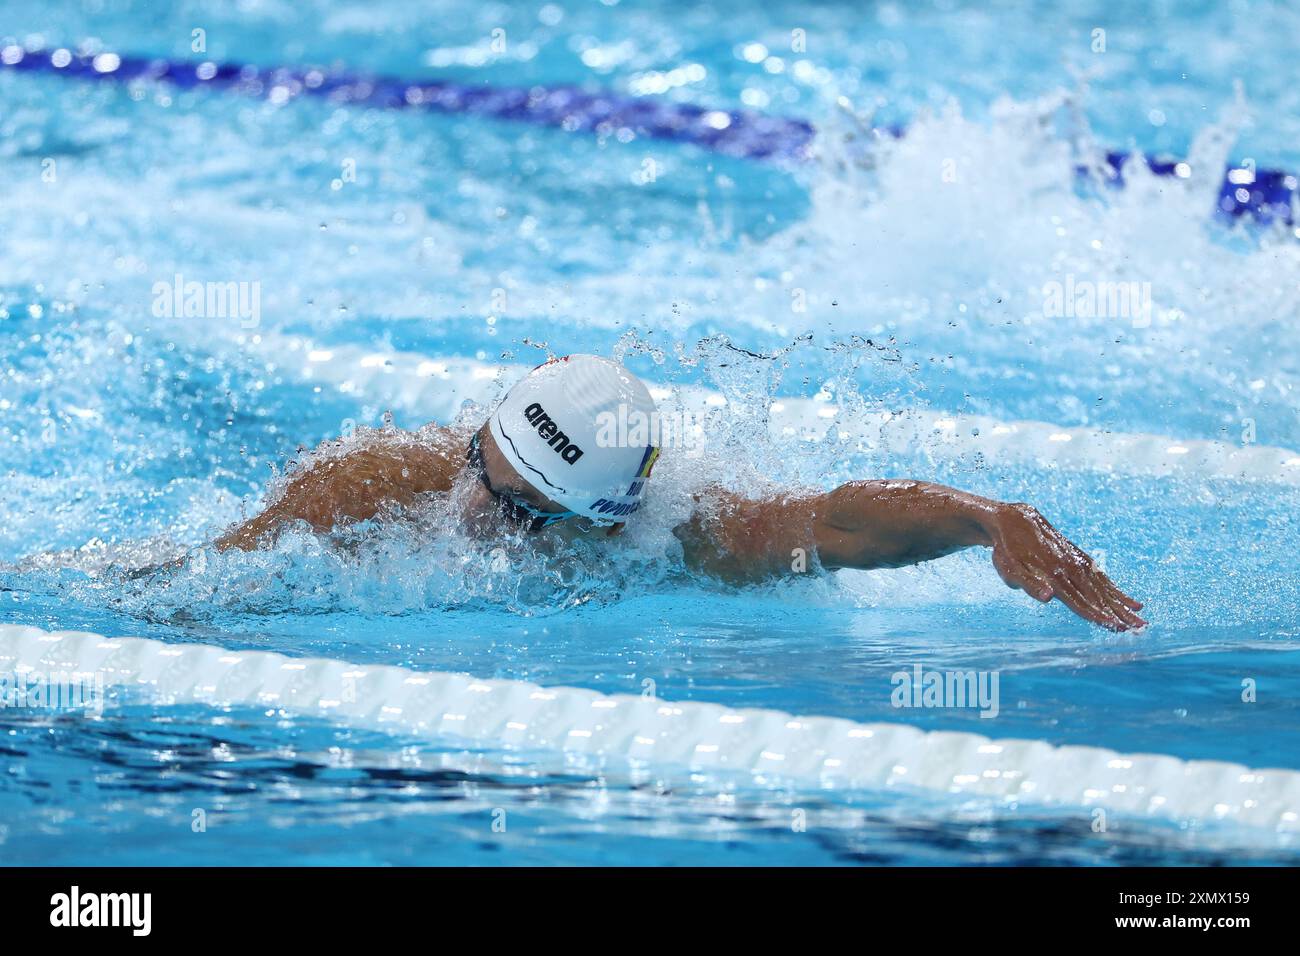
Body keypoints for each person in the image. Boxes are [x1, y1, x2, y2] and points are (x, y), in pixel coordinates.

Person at [215, 354, 1146, 630]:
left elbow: (831, 522)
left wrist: (985, 518)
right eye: (479, 464)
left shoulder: (676, 535)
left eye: (515, 508)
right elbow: (204, 584)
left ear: (597, 519)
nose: (470, 506)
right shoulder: (365, 488)